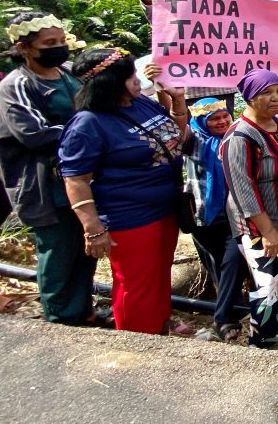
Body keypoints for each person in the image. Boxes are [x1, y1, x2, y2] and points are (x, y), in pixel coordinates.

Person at [59, 48, 190, 334]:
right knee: (136, 284)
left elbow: (176, 139)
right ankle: (138, 344)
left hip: (164, 209)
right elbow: (76, 179)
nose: (136, 79)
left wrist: (178, 102)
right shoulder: (89, 123)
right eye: (128, 75)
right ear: (108, 82)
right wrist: (93, 229)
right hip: (129, 216)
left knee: (158, 274)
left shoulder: (141, 103)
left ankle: (159, 326)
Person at [0, 12, 97, 326]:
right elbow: (33, 134)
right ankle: (61, 318)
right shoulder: (17, 85)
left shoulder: (68, 74)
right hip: (42, 183)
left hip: (78, 177)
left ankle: (83, 310)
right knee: (58, 250)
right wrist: (88, 135)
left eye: (61, 41)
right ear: (25, 47)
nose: (58, 48)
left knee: (84, 249)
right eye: (48, 43)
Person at [221, 69, 278, 348]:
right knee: (271, 284)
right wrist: (268, 231)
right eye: (265, 94)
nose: (275, 98)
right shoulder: (240, 136)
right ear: (249, 98)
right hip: (262, 224)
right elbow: (243, 189)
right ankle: (263, 343)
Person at [183, 95, 247, 342]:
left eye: (225, 116)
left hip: (235, 214)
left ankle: (221, 316)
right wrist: (174, 97)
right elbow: (178, 124)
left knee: (234, 261)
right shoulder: (193, 141)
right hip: (205, 216)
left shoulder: (236, 137)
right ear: (201, 122)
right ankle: (229, 315)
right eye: (214, 119)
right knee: (217, 265)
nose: (221, 122)